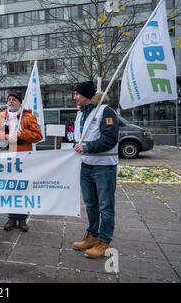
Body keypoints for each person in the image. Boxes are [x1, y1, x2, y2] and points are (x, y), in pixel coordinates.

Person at [72, 81, 119, 259]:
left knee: (105, 206)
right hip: (86, 165)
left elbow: (109, 139)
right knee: (90, 204)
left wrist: (87, 147)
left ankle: (104, 241)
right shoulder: (81, 113)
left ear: (86, 96)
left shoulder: (105, 112)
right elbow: (78, 138)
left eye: (77, 94)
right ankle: (92, 236)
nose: (75, 97)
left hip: (104, 167)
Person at [0, 90, 42, 232]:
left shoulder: (28, 117)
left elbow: (38, 136)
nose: (11, 101)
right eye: (9, 99)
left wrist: (22, 133)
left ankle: (22, 218)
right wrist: (6, 136)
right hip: (6, 157)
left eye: (14, 99)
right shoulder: (1, 116)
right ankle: (11, 217)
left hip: (23, 159)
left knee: (22, 188)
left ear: (20, 102)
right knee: (10, 188)